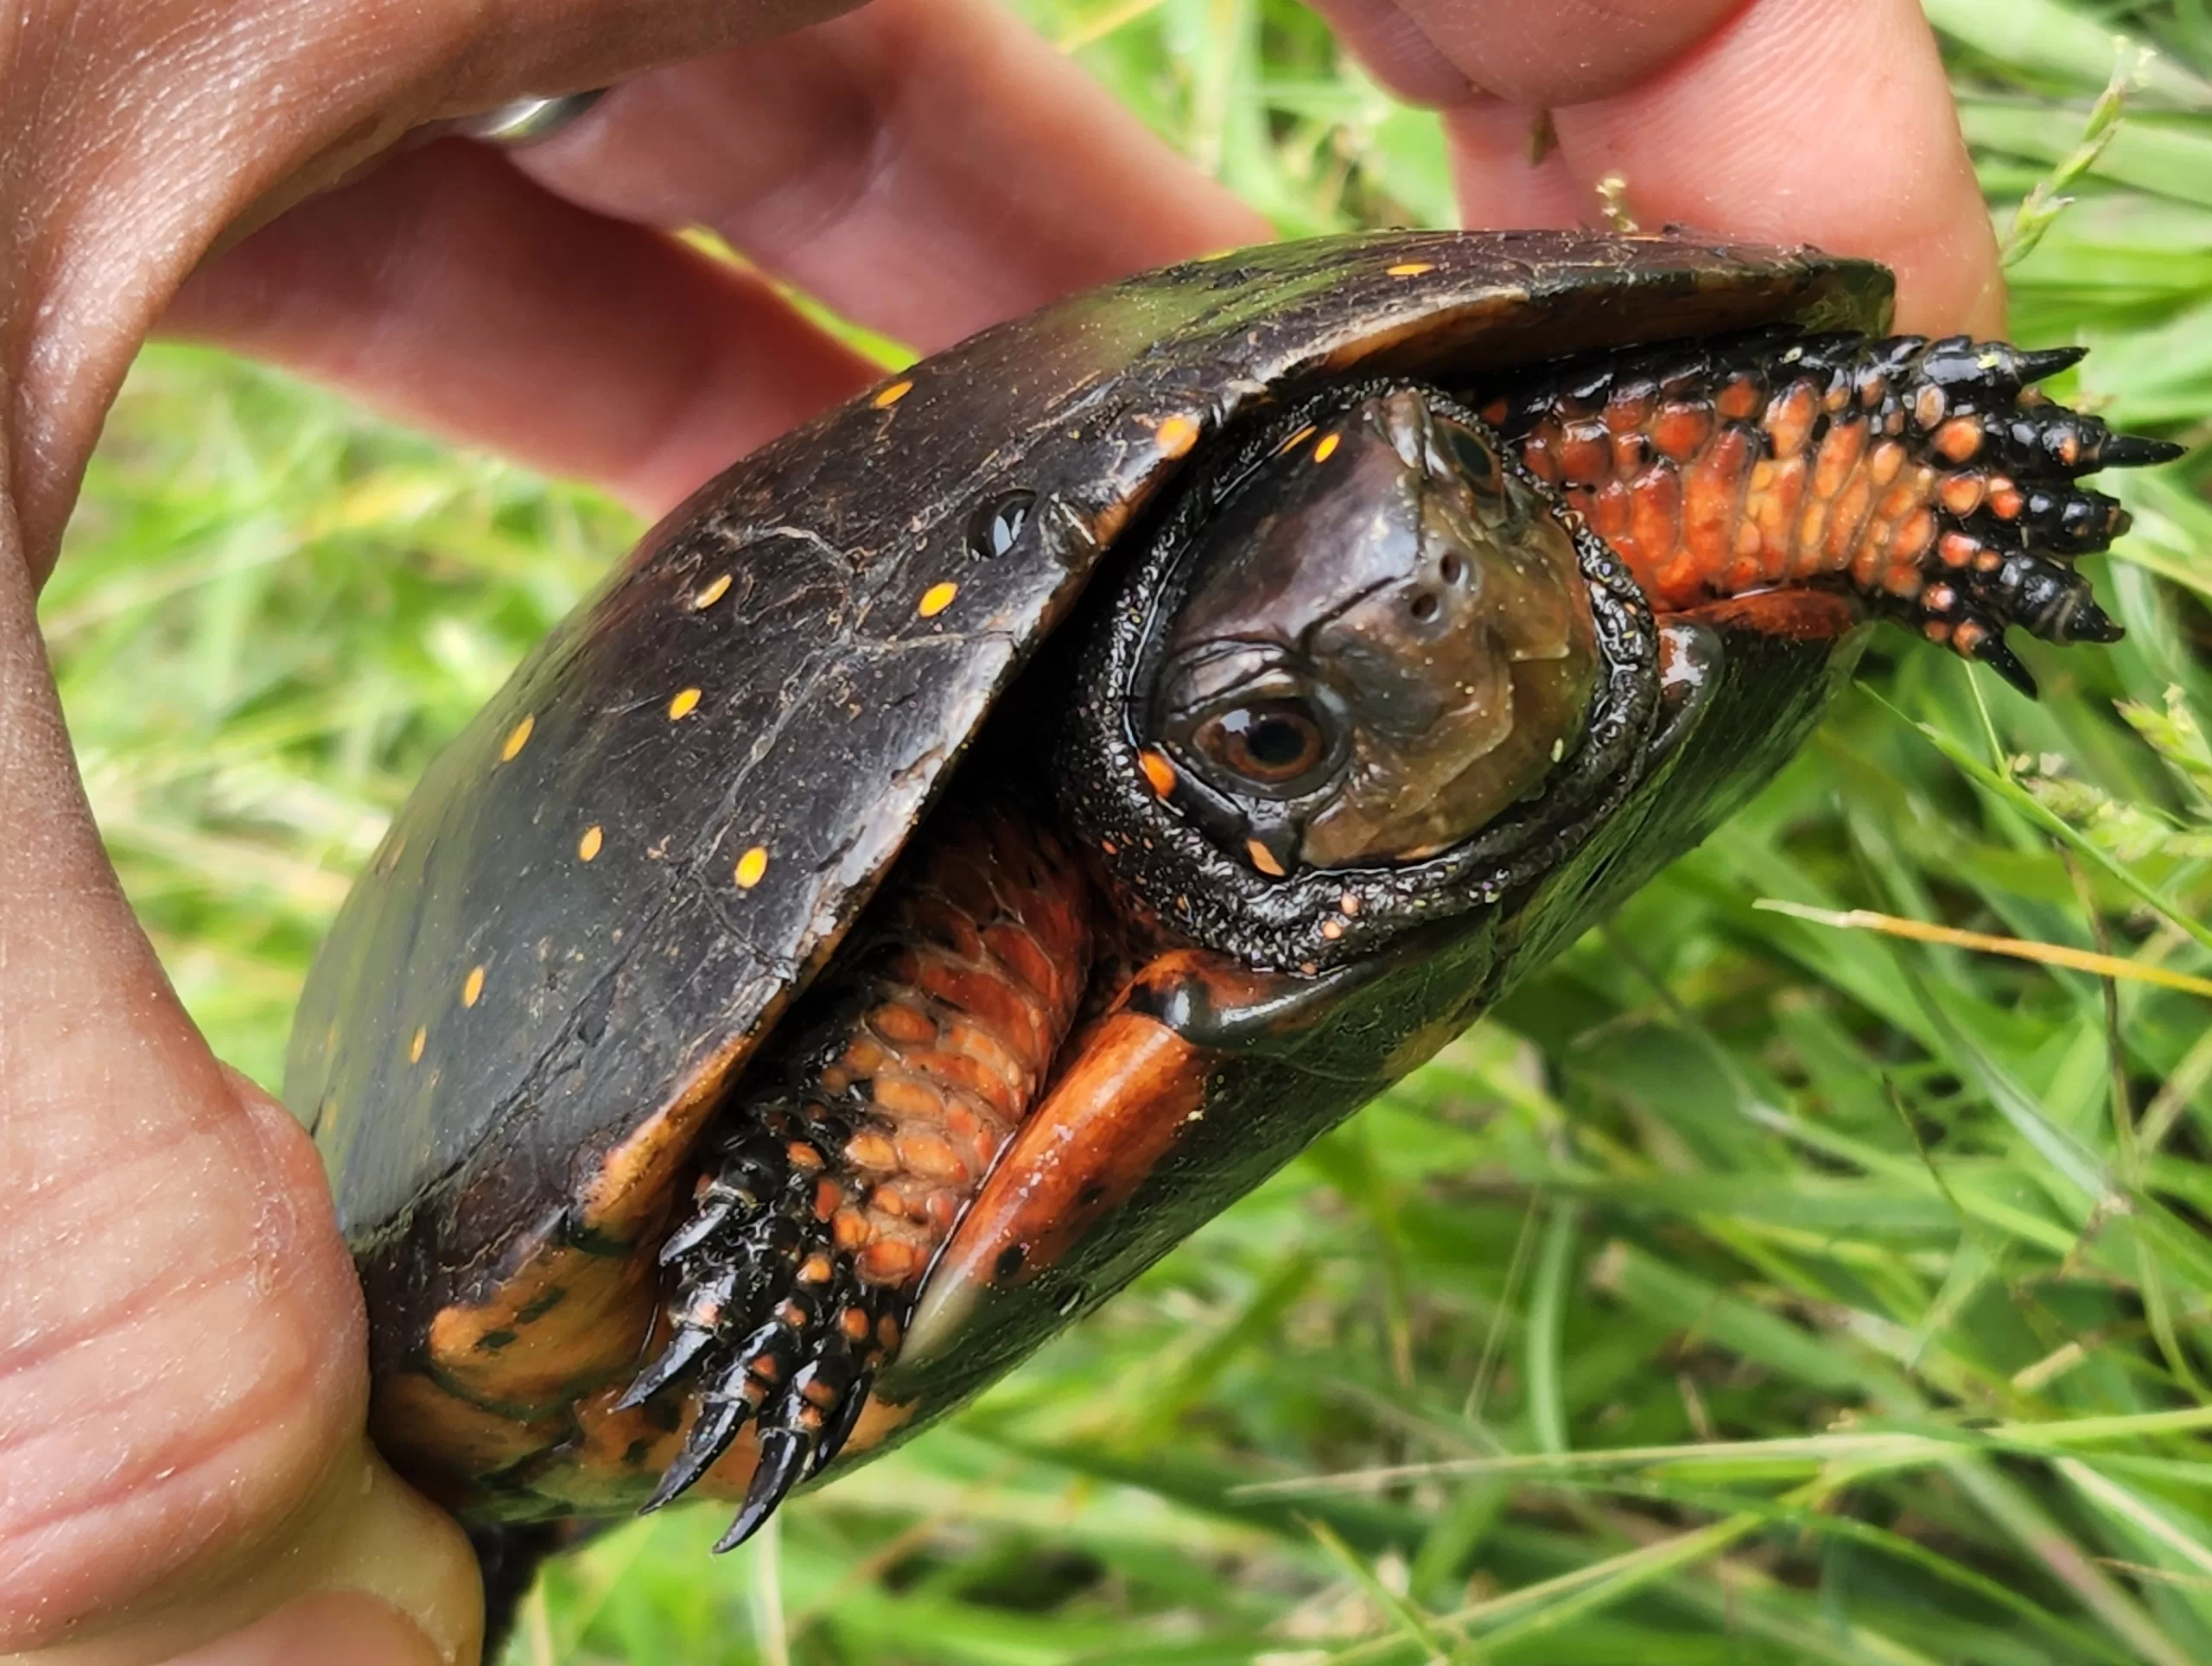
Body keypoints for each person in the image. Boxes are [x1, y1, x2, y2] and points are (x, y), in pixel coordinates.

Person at [0, 1, 1999, 1660]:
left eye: (1474, 499)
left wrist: (1885, 468)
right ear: (1168, 784)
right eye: (1280, 733)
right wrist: (813, 1229)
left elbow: (1722, 445)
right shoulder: (1020, 899)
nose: (1444, 619)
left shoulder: (1521, 534)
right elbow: (941, 939)